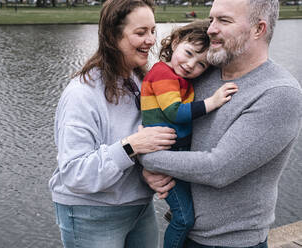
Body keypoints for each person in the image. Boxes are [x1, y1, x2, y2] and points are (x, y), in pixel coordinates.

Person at [140, 0, 302, 247]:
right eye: (212, 18)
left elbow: (217, 169)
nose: (210, 29)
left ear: (258, 29)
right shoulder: (203, 72)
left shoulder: (279, 93)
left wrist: (144, 156)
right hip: (187, 232)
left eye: (223, 21)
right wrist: (151, 172)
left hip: (230, 243)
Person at [48, 0, 177, 247]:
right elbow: (75, 174)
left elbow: (145, 145)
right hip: (90, 214)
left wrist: (147, 172)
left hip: (139, 207)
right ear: (112, 36)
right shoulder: (82, 93)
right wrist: (131, 146)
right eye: (140, 33)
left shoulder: (141, 81)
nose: (150, 40)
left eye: (152, 31)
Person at [141, 20, 238, 248]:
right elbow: (174, 112)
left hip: (176, 156)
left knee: (184, 213)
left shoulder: (178, 79)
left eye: (201, 65)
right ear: (175, 42)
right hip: (167, 158)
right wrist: (212, 102)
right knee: (184, 219)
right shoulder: (163, 73)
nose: (190, 64)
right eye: (188, 53)